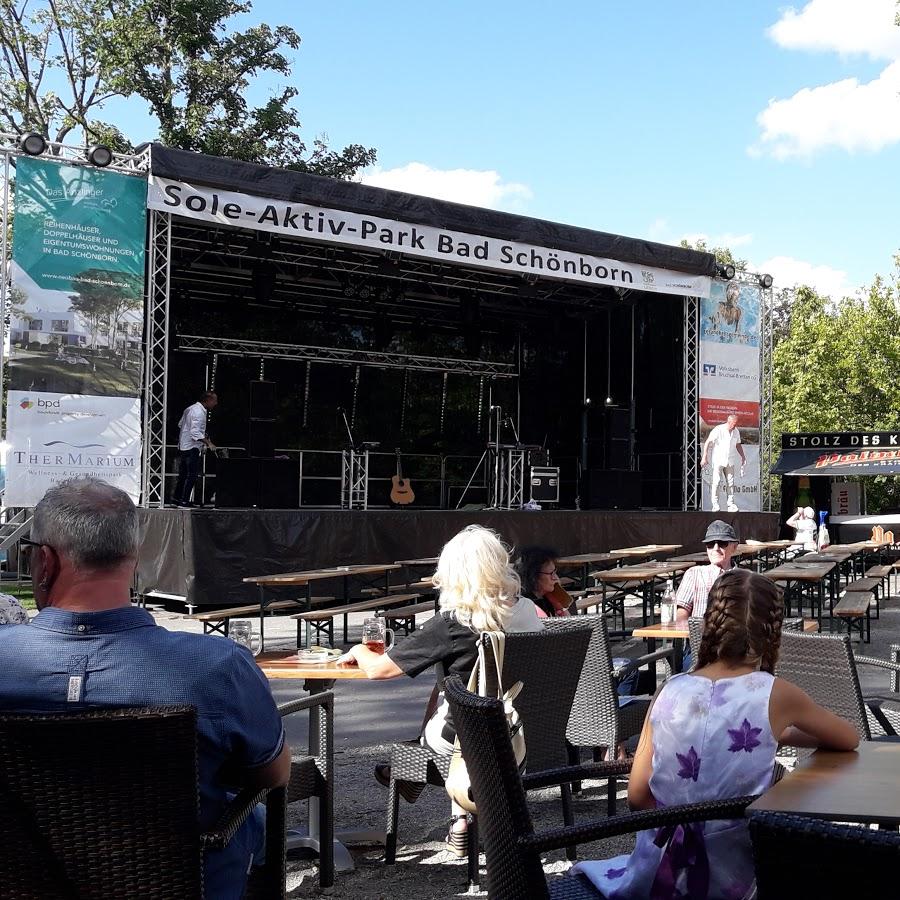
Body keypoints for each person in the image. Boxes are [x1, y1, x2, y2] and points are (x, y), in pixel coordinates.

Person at [0, 478, 289, 900]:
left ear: (44, 561)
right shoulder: (218, 666)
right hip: (191, 883)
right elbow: (274, 773)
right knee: (256, 821)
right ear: (134, 560)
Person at [570, 568, 858, 898]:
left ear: (710, 623)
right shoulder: (776, 694)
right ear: (772, 633)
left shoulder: (669, 689)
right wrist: (779, 733)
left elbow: (637, 798)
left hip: (658, 875)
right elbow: (848, 738)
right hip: (740, 874)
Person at [336, 524, 542, 857]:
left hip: (467, 742)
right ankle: (456, 817)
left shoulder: (453, 622)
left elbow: (378, 670)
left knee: (452, 702)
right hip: (523, 734)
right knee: (454, 688)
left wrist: (359, 650)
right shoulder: (528, 610)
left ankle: (416, 775)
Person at [675, 520, 739, 623]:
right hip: (700, 632)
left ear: (734, 547)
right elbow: (682, 610)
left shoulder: (744, 578)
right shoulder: (694, 574)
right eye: (710, 544)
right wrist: (683, 628)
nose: (716, 548)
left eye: (722, 543)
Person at [172, 390, 218, 507]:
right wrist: (209, 443)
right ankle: (184, 501)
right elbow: (195, 433)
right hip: (191, 447)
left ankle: (177, 499)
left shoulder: (190, 409)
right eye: (214, 400)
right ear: (208, 400)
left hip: (184, 445)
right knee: (191, 475)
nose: (215, 403)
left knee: (183, 475)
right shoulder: (198, 412)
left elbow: (180, 424)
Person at [702, 414, 746, 512]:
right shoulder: (719, 429)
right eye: (733, 424)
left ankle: (731, 504)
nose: (735, 426)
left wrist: (743, 456)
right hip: (718, 460)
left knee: (730, 482)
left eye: (736, 424)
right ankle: (715, 504)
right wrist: (704, 456)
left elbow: (738, 445)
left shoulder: (736, 431)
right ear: (729, 422)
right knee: (716, 482)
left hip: (730, 460)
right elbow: (708, 442)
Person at [515, 545, 572, 617]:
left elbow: (569, 621)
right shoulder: (526, 604)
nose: (556, 578)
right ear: (534, 577)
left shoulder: (547, 597)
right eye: (551, 573)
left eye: (555, 572)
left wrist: (559, 607)